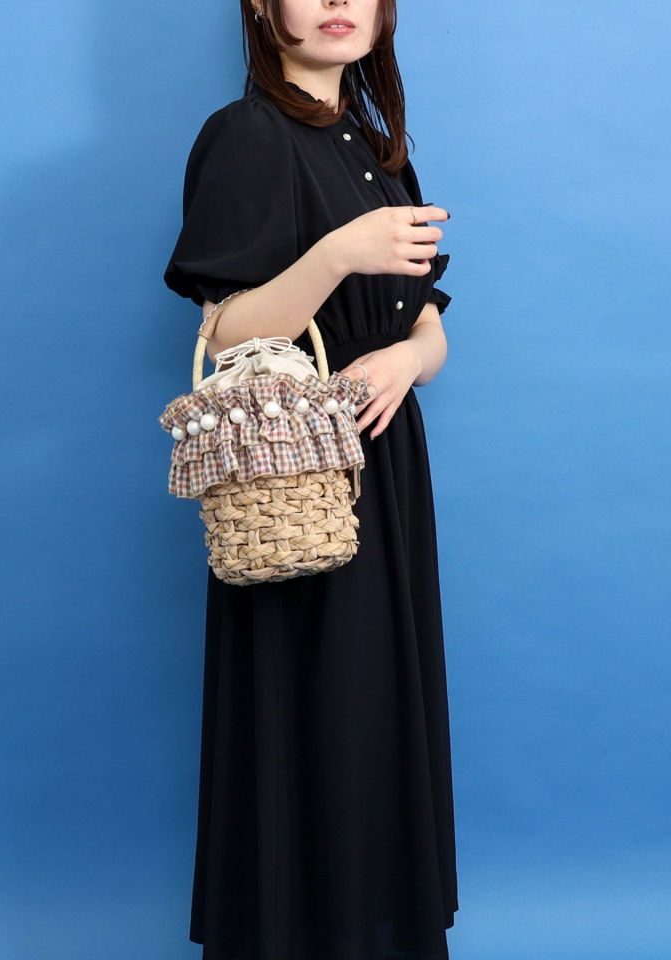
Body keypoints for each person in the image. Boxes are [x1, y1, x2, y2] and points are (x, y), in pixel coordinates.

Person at [163, 1, 458, 957]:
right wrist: (337, 255)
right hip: (295, 473)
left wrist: (409, 360)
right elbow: (226, 331)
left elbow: (424, 320)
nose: (337, 1)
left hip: (387, 462)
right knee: (319, 713)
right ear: (261, 5)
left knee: (378, 717)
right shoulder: (246, 134)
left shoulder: (377, 147)